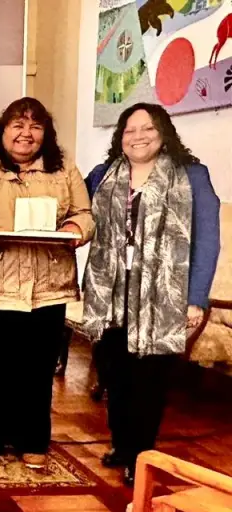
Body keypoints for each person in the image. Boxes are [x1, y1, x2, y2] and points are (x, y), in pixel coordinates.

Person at [83, 103, 220, 486]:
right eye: (130, 129)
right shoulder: (102, 175)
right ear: (120, 136)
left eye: (147, 128)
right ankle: (121, 443)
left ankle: (140, 453)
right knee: (114, 372)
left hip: (163, 295)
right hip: (110, 292)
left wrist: (196, 298)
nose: (138, 136)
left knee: (149, 379)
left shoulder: (191, 176)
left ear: (163, 133)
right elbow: (74, 211)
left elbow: (206, 240)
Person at [0, 97, 94, 468]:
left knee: (37, 368)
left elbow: (85, 215)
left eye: (35, 126)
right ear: (2, 131)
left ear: (46, 134)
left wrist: (74, 229)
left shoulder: (65, 170)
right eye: (17, 126)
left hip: (47, 286)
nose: (26, 134)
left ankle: (32, 438)